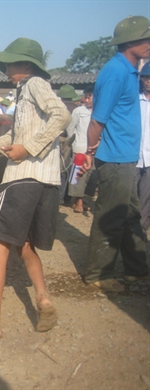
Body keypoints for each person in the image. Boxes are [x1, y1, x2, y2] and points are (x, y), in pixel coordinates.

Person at [0, 37, 70, 339]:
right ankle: (43, 296)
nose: (6, 70)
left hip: (22, 178)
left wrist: (29, 148)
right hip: (45, 180)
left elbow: (62, 115)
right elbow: (15, 136)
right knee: (23, 243)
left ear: (26, 65)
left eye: (10, 64)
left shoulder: (35, 84)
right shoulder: (24, 94)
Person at [81, 15, 150, 292]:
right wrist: (88, 151)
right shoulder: (115, 72)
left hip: (127, 156)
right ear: (129, 42)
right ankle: (98, 273)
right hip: (115, 157)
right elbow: (98, 120)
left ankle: (138, 268)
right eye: (146, 39)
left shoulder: (131, 71)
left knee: (130, 214)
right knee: (111, 215)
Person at [66, 86, 95, 213]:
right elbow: (70, 128)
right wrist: (73, 143)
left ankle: (84, 199)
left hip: (95, 150)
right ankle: (78, 201)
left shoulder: (101, 111)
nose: (87, 100)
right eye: (86, 97)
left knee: (91, 177)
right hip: (80, 148)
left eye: (90, 97)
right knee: (79, 176)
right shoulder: (78, 111)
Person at [138, 61, 150, 241]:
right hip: (133, 158)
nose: (149, 81)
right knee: (129, 200)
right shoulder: (133, 100)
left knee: (145, 202)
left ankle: (138, 236)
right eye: (146, 78)